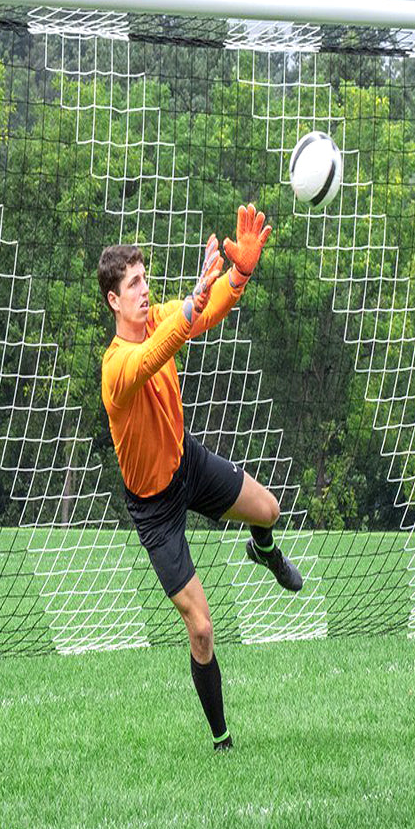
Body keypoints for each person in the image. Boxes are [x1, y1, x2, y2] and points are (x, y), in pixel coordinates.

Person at [98, 204, 302, 751]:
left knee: (270, 510)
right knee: (203, 630)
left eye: (146, 279)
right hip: (153, 508)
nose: (145, 290)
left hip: (186, 463)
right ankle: (222, 739)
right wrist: (186, 308)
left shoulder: (163, 314)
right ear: (114, 300)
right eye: (134, 284)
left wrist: (237, 275)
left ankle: (263, 551)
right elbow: (154, 353)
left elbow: (204, 312)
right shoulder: (115, 366)